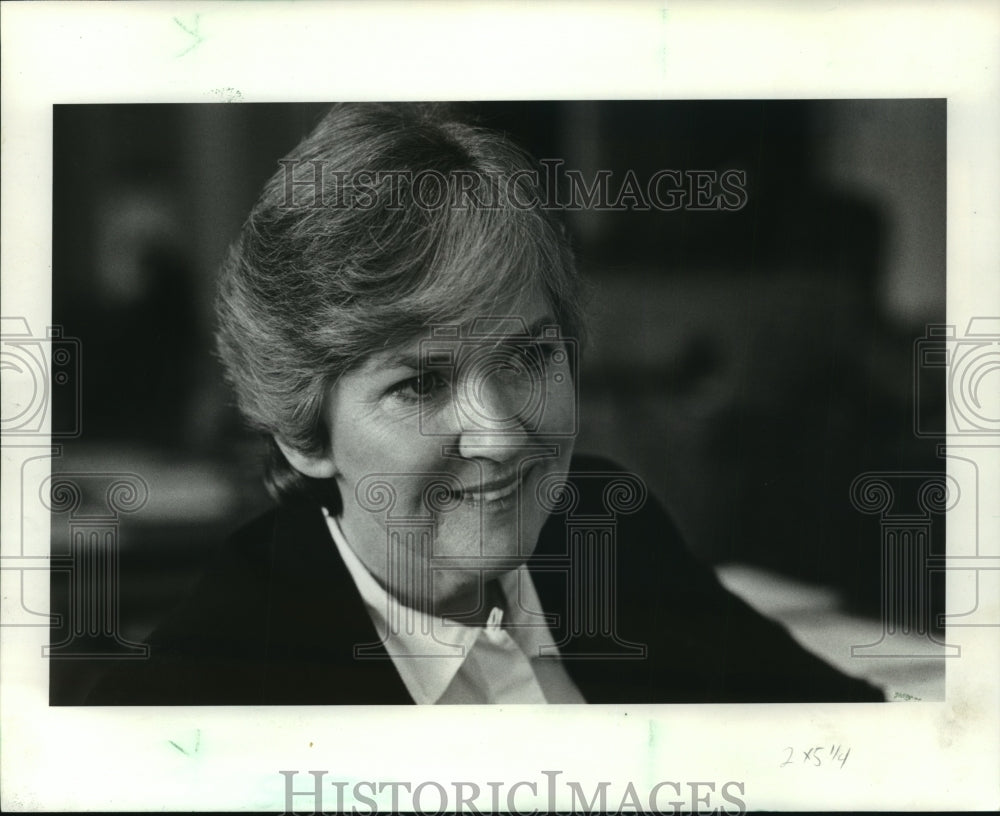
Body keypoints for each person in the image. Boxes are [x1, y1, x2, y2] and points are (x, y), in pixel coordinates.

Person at [88, 103, 883, 705]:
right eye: (422, 383)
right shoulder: (193, 698)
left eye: (530, 356)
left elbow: (854, 741)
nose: (502, 436)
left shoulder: (605, 527)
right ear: (306, 432)